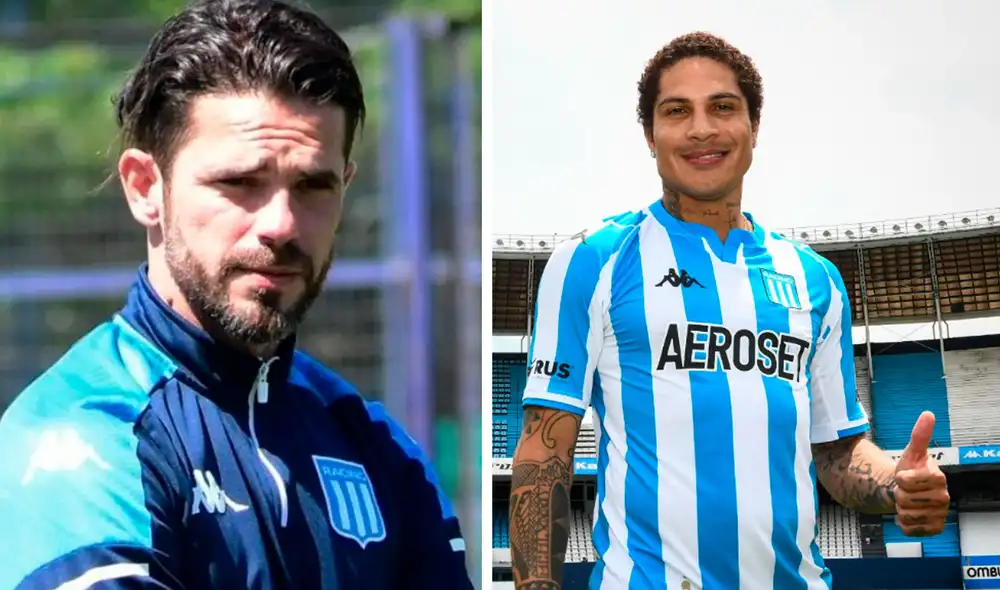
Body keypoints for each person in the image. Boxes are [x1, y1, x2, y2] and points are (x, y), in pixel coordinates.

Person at [0, 1, 472, 588]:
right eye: (240, 183)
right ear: (146, 188)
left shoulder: (373, 444)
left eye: (312, 186)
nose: (281, 223)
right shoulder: (83, 437)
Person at [509, 32, 950, 590]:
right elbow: (543, 452)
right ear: (650, 135)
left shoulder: (815, 279)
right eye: (677, 111)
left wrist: (897, 485)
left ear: (753, 127)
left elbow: (837, 452)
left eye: (723, 107)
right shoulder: (591, 262)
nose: (701, 129)